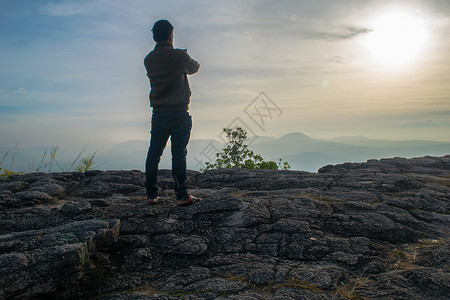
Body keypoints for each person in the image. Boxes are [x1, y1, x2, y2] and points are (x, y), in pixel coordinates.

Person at [144, 20, 200, 206]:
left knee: (154, 153)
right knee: (179, 154)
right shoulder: (179, 56)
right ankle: (182, 196)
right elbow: (195, 67)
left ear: (154, 37)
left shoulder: (148, 59)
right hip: (179, 113)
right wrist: (184, 54)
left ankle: (152, 195)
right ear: (171, 35)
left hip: (159, 113)